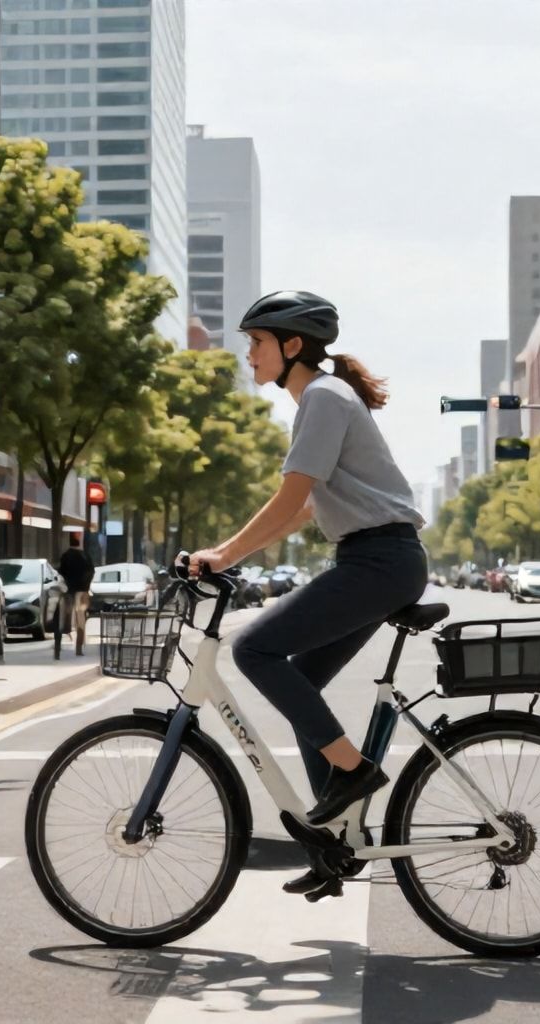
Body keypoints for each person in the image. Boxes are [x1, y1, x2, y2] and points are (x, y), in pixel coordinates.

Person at [189, 290, 426, 898]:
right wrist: (230, 547)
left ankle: (351, 772)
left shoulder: (323, 397)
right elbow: (300, 512)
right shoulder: (320, 399)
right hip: (377, 560)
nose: (250, 355)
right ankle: (337, 841)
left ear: (292, 346)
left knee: (254, 651)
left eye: (257, 344)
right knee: (301, 680)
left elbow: (291, 499)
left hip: (379, 561)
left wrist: (223, 555)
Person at [57, 533, 95, 656]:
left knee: (64, 618)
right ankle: (78, 648)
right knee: (81, 620)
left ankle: (59, 646)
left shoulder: (65, 556)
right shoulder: (85, 556)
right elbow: (91, 571)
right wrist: (86, 586)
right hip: (82, 592)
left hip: (69, 591)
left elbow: (61, 572)